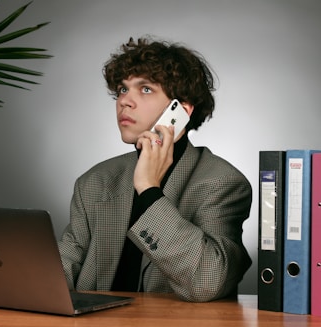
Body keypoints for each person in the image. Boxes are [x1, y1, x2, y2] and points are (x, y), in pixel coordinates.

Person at [58, 36, 252, 302]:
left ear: (181, 111)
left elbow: (208, 281)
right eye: (122, 89)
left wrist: (149, 190)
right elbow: (63, 266)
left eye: (145, 89)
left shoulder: (221, 183)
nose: (125, 101)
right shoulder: (95, 182)